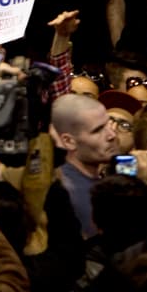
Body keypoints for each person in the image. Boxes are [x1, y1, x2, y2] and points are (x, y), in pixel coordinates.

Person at [52, 93, 119, 237]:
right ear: (69, 141)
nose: (111, 135)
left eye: (109, 123)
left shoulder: (100, 180)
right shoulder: (68, 194)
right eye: (98, 130)